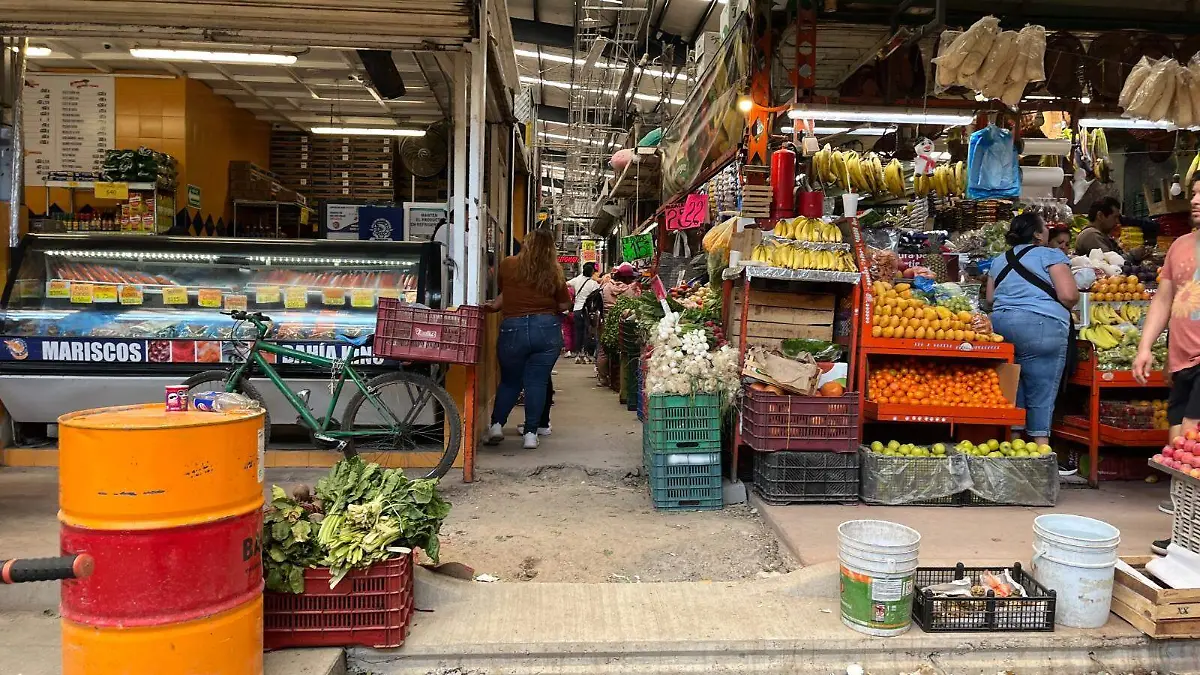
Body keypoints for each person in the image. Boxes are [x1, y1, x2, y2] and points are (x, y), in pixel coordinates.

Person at [1133, 180, 1200, 555]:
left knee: (1192, 437)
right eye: (1194, 194)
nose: (1194, 201)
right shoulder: (1180, 246)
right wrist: (1145, 347)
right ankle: (1185, 536)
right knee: (1178, 449)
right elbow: (1162, 300)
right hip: (1181, 361)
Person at [986, 213, 1079, 447]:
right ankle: (1040, 447)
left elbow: (990, 298)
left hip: (1002, 327)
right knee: (1042, 390)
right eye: (1044, 227)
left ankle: (1013, 444)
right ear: (1038, 234)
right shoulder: (1051, 254)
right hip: (1042, 327)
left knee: (1013, 385)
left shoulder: (1000, 259)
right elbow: (1068, 295)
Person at [483, 228, 569, 450]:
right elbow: (564, 305)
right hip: (546, 329)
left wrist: (493, 307)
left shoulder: (508, 264)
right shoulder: (555, 271)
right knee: (536, 383)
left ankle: (496, 426)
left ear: (527, 243)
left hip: (513, 328)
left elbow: (507, 293)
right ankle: (531, 434)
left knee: (510, 381)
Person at [1075, 197, 1158, 258]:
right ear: (1100, 216)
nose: (1117, 222)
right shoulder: (1091, 235)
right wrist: (1134, 254)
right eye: (1114, 217)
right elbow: (1110, 263)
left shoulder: (1101, 234)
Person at [567, 263, 601, 363]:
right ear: (591, 272)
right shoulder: (593, 284)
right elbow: (598, 293)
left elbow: (565, 284)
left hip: (576, 310)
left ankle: (577, 354)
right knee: (586, 332)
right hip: (586, 311)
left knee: (578, 332)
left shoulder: (577, 279)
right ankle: (585, 354)